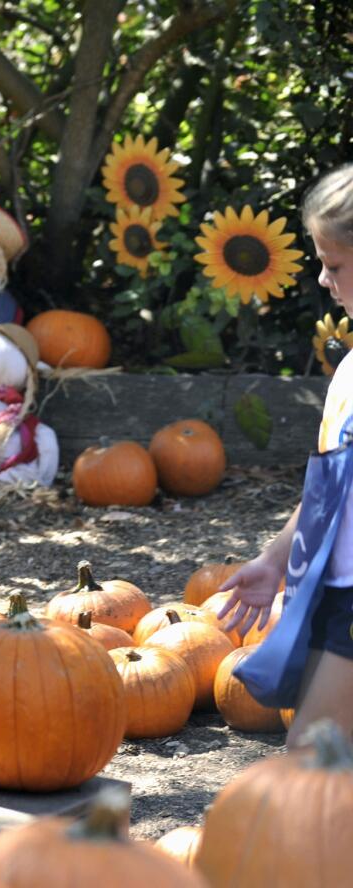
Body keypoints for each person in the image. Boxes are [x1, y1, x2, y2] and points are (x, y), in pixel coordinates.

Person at [219, 163, 353, 748]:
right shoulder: (348, 372)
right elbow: (329, 490)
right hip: (329, 593)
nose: (324, 280)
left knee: (310, 767)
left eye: (336, 265)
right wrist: (276, 560)